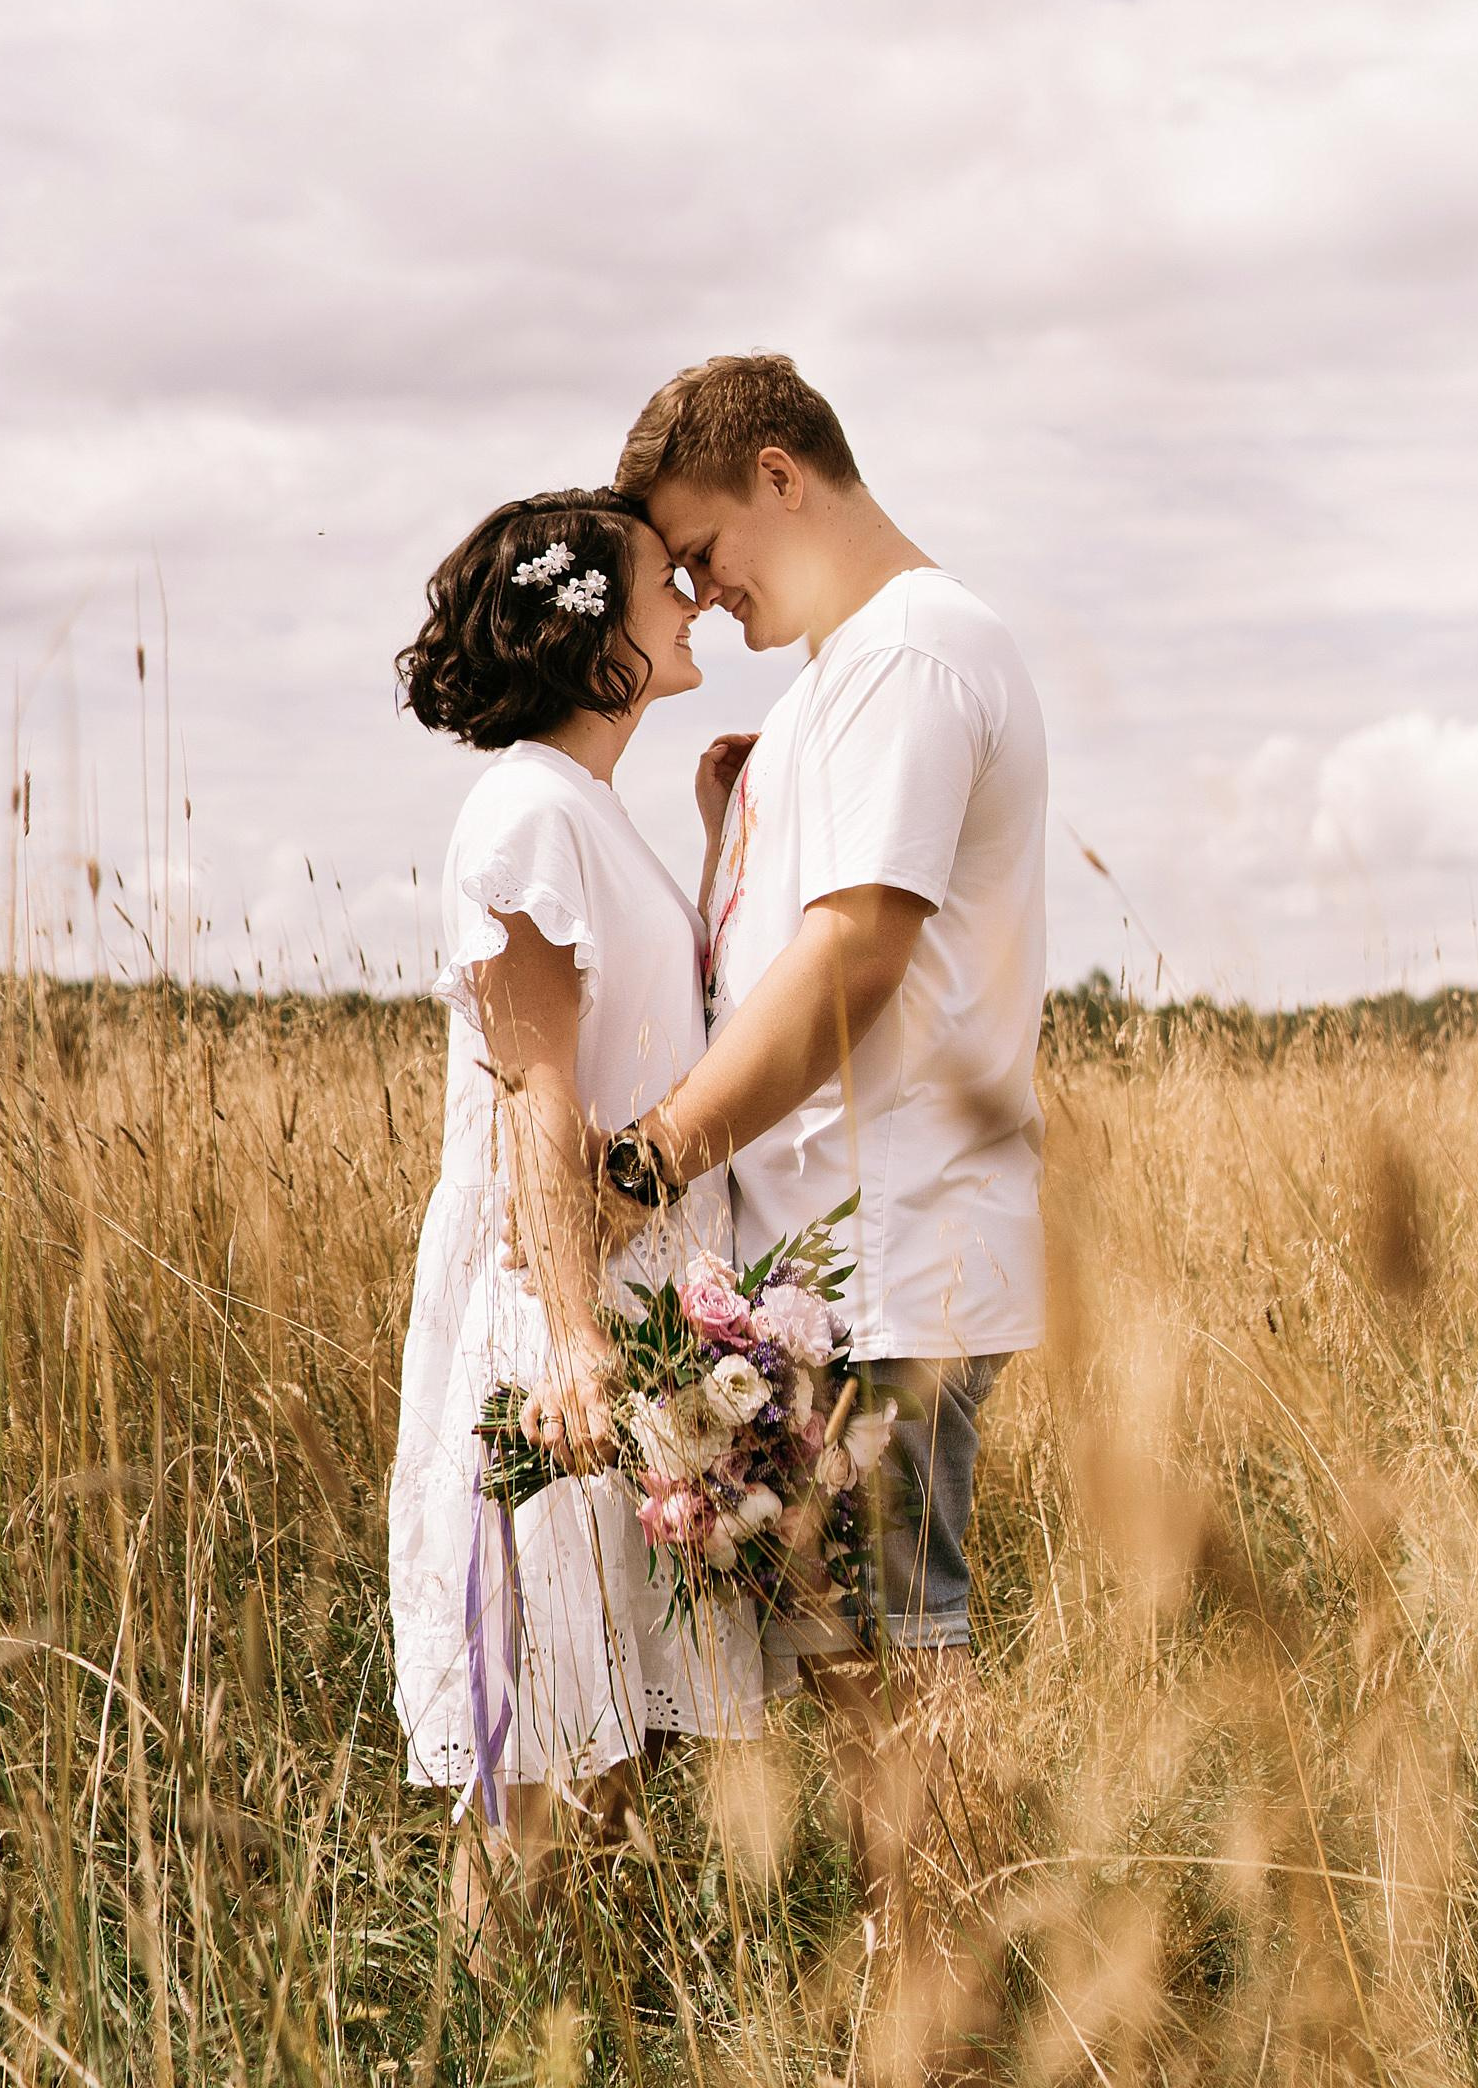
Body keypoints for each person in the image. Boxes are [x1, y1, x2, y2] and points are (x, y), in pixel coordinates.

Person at [590, 354, 1048, 1909]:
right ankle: (939, 1997)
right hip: (828, 1266)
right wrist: (737, 833)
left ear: (782, 474)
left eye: (705, 552)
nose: (701, 599)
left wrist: (649, 1155)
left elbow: (854, 961)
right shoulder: (833, 693)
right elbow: (781, 955)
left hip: (898, 1252)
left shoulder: (916, 656)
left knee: (897, 1671)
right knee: (864, 1667)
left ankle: (968, 2012)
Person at [388, 487, 761, 1951]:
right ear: (594, 638)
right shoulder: (528, 811)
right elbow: (535, 1097)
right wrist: (570, 1345)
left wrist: (720, 838)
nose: (690, 595)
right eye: (661, 580)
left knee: (611, 1748)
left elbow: (658, 1032)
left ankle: (538, 2014)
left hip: (623, 1308)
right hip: (560, 1316)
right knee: (542, 1759)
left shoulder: (584, 809)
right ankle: (487, 2026)